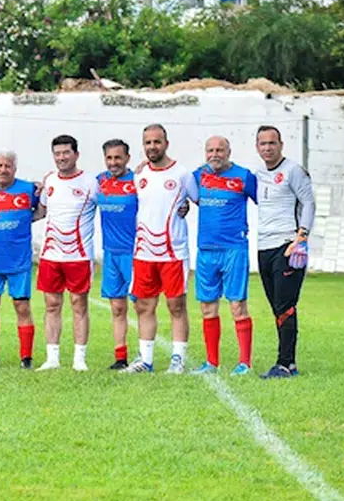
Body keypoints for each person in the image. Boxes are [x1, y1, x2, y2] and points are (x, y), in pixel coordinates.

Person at [123, 123, 199, 374]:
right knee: (144, 306)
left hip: (173, 252)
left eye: (157, 142)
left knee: (176, 305)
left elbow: (198, 200)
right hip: (144, 251)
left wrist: (186, 206)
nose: (152, 147)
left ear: (166, 143)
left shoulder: (182, 174)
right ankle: (145, 360)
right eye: (147, 143)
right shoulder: (139, 175)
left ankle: (178, 359)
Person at [190, 135, 258, 377]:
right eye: (210, 150)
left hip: (234, 249)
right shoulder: (197, 176)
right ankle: (211, 363)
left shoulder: (244, 176)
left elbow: (266, 202)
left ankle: (245, 363)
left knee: (237, 306)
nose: (214, 154)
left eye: (220, 150)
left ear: (229, 152)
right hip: (206, 250)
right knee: (207, 308)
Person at [253, 125, 315, 379]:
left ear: (281, 144)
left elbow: (309, 202)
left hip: (287, 245)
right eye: (262, 144)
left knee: (286, 305)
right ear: (257, 147)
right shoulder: (256, 174)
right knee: (276, 307)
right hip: (263, 248)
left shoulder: (293, 171)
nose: (267, 148)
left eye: (272, 143)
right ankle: (287, 363)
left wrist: (301, 237)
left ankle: (285, 363)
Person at [36, 135, 97, 372]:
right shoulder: (49, 180)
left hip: (78, 255)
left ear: (76, 154)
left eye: (66, 153)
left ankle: (79, 359)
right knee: (51, 305)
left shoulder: (91, 182)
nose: (61, 157)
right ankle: (52, 358)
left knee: (78, 304)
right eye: (57, 153)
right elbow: (41, 210)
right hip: (51, 255)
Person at [0, 151, 38, 369]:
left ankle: (26, 357)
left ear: (15, 168)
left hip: (18, 260)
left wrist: (24, 221)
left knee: (21, 306)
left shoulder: (29, 190)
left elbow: (43, 209)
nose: (3, 170)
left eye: (7, 166)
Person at [96, 140, 139, 369]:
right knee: (117, 307)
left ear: (127, 158)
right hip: (110, 254)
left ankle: (144, 355)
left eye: (118, 158)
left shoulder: (138, 181)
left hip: (133, 254)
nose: (113, 163)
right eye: (109, 158)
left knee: (141, 305)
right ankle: (120, 357)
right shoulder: (100, 182)